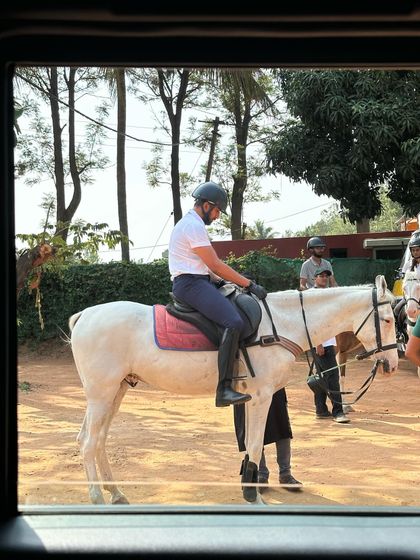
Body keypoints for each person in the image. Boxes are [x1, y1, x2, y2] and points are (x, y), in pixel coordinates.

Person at [168, 181, 267, 408]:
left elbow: (206, 268)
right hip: (190, 284)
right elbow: (215, 263)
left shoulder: (191, 225)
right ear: (206, 205)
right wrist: (249, 284)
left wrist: (220, 281)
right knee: (233, 321)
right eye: (216, 211)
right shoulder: (192, 226)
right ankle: (223, 389)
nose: (217, 216)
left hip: (198, 280)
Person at [233, 389, 302, 492]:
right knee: (253, 432)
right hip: (245, 387)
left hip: (272, 383)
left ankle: (285, 474)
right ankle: (261, 474)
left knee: (282, 427)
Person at [307, 267, 350, 424]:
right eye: (321, 276)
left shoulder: (328, 294)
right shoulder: (312, 295)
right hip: (321, 344)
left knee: (323, 377)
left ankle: (321, 409)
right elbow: (311, 320)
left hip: (328, 342)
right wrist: (318, 343)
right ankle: (338, 412)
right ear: (314, 278)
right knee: (333, 378)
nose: (324, 278)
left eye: (326, 276)